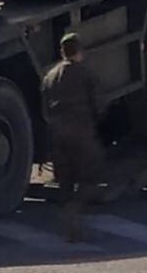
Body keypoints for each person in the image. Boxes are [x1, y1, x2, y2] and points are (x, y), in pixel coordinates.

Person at [40, 32, 105, 241]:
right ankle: (75, 214)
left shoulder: (49, 77)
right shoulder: (85, 74)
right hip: (82, 133)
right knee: (90, 178)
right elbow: (98, 104)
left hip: (58, 135)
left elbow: (44, 110)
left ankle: (68, 223)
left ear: (62, 51)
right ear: (79, 51)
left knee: (65, 181)